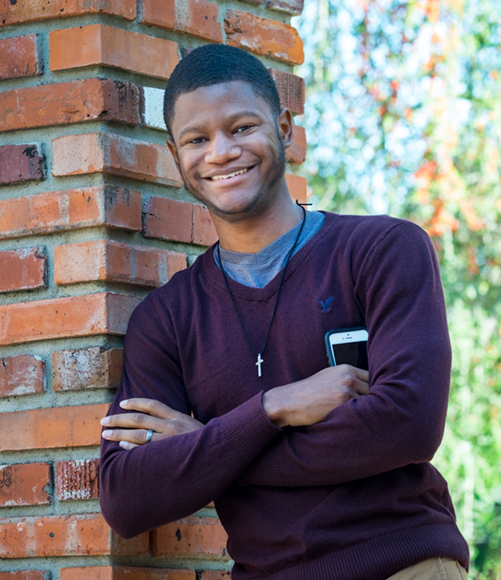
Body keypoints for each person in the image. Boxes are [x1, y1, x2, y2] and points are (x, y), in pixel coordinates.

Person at [98, 44, 469, 580]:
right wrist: (273, 408)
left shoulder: (383, 250)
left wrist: (207, 445)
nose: (221, 152)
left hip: (402, 564)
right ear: (175, 154)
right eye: (197, 139)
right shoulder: (168, 318)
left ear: (286, 128)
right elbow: (127, 499)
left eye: (242, 127)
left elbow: (406, 426)